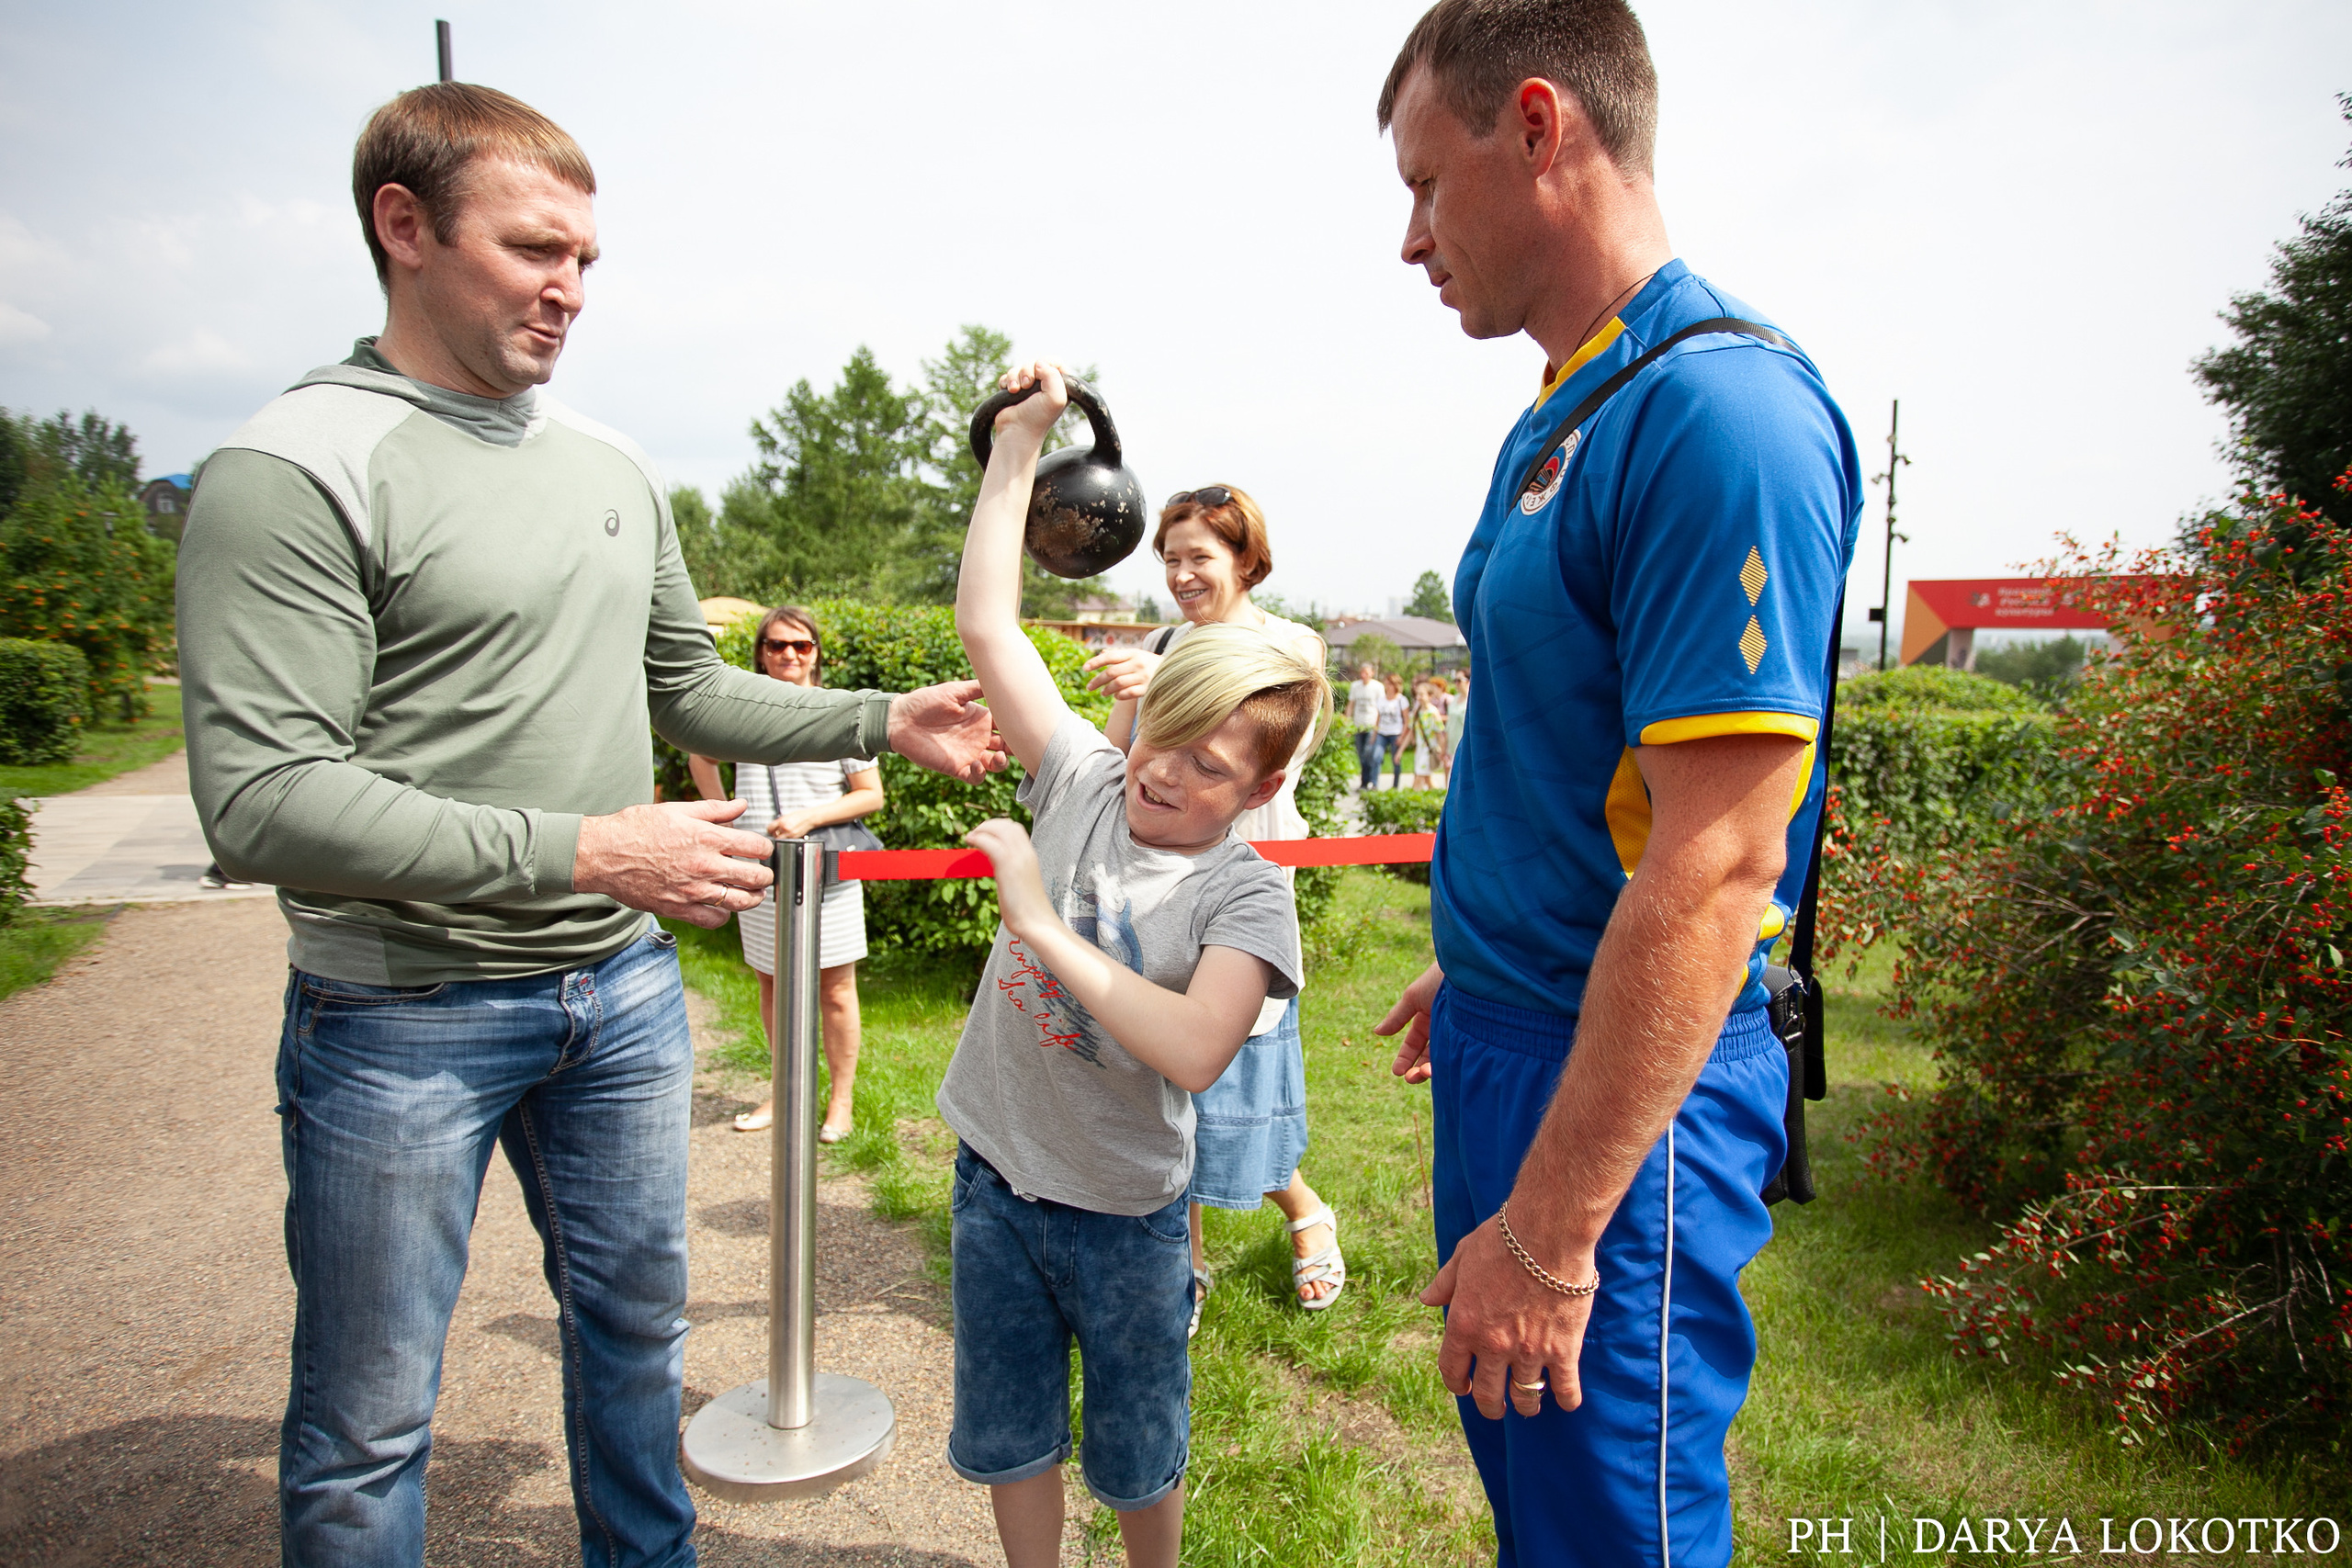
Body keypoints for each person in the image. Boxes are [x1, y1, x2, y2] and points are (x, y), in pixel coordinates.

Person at [175, 83, 1002, 1568]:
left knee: (636, 1336)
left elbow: (688, 687)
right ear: (404, 227)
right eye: (535, 248)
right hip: (395, 1015)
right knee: (369, 1428)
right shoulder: (291, 467)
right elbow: (261, 802)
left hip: (616, 997)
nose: (570, 290)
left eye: (588, 262)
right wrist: (591, 851)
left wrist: (885, 718)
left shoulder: (614, 468)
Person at [1369, 6, 1862, 1566]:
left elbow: (1719, 868)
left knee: (1612, 1532)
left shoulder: (1720, 414)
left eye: (1426, 185)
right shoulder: (1570, 403)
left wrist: (1555, 1224)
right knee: (1542, 1507)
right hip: (1522, 1034)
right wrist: (1491, 944)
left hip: (1621, 1103)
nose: (1409, 239)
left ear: (1538, 128)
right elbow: (1575, 743)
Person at [942, 360, 1327, 1568]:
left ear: (1262, 789)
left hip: (1126, 1220)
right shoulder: (1084, 776)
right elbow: (988, 623)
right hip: (996, 1181)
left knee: (1136, 1447)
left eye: (1210, 767)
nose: (1164, 773)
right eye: (1164, 737)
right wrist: (1017, 448)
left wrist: (1041, 921)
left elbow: (1196, 1045)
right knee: (1011, 1437)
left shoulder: (1246, 893)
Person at [1080, 488, 1346, 1321]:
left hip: (1237, 899)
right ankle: (1184, 1266)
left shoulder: (1289, 646)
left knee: (1234, 1100)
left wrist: (1169, 678)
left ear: (1245, 560)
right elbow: (1124, 758)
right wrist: (1126, 700)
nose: (1182, 573)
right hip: (1158, 892)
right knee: (1167, 1098)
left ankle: (1305, 1211)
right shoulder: (1161, 641)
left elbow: (1285, 741)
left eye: (1200, 556)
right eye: (1170, 557)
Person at [687, 604, 881, 1141]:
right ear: (761, 653)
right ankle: (786, 1092)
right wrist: (726, 815)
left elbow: (871, 795)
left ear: (816, 652)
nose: (789, 655)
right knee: (772, 983)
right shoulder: (742, 711)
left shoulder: (839, 712)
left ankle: (840, 1101)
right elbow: (698, 756)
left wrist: (809, 817)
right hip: (763, 869)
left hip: (830, 871)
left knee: (837, 989)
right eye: (776, 645)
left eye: (800, 645)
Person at [1347, 660, 1385, 789]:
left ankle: (1372, 781)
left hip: (1371, 725)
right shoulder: (1355, 686)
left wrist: (1378, 726)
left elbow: (1381, 707)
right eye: (1362, 673)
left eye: (1367, 673)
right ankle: (1364, 782)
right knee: (1361, 756)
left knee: (1368, 754)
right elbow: (1351, 705)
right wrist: (1347, 723)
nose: (1364, 675)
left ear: (1372, 673)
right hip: (1359, 725)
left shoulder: (1378, 687)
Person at [1409, 678, 1449, 789]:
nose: (1418, 698)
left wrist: (1442, 751)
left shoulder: (1433, 712)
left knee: (1418, 779)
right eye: (1417, 695)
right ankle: (1438, 798)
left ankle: (1412, 801)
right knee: (1428, 780)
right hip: (1420, 750)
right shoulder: (1417, 712)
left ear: (1429, 696)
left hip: (1429, 750)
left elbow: (1439, 734)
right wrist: (1401, 750)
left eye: (1421, 695)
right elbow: (1411, 732)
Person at [1375, 672, 1408, 787]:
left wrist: (1402, 736)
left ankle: (1395, 785)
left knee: (1396, 759)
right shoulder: (1381, 700)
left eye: (1390, 684)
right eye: (1386, 684)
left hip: (1395, 732)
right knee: (1377, 756)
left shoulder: (1401, 700)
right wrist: (1375, 734)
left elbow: (1406, 720)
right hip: (1382, 732)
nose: (1387, 686)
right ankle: (1374, 784)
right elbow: (1378, 718)